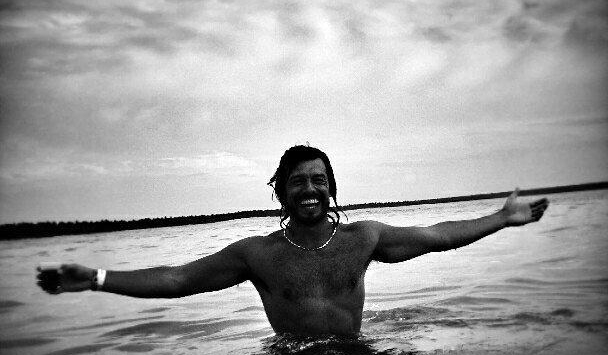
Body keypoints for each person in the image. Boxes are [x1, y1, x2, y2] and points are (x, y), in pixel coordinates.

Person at [37, 145, 549, 336]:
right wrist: (98, 278)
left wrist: (502, 219)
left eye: (318, 180)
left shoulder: (363, 239)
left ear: (331, 188)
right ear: (281, 192)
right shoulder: (256, 255)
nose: (310, 189)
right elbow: (178, 279)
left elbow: (437, 236)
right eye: (298, 181)